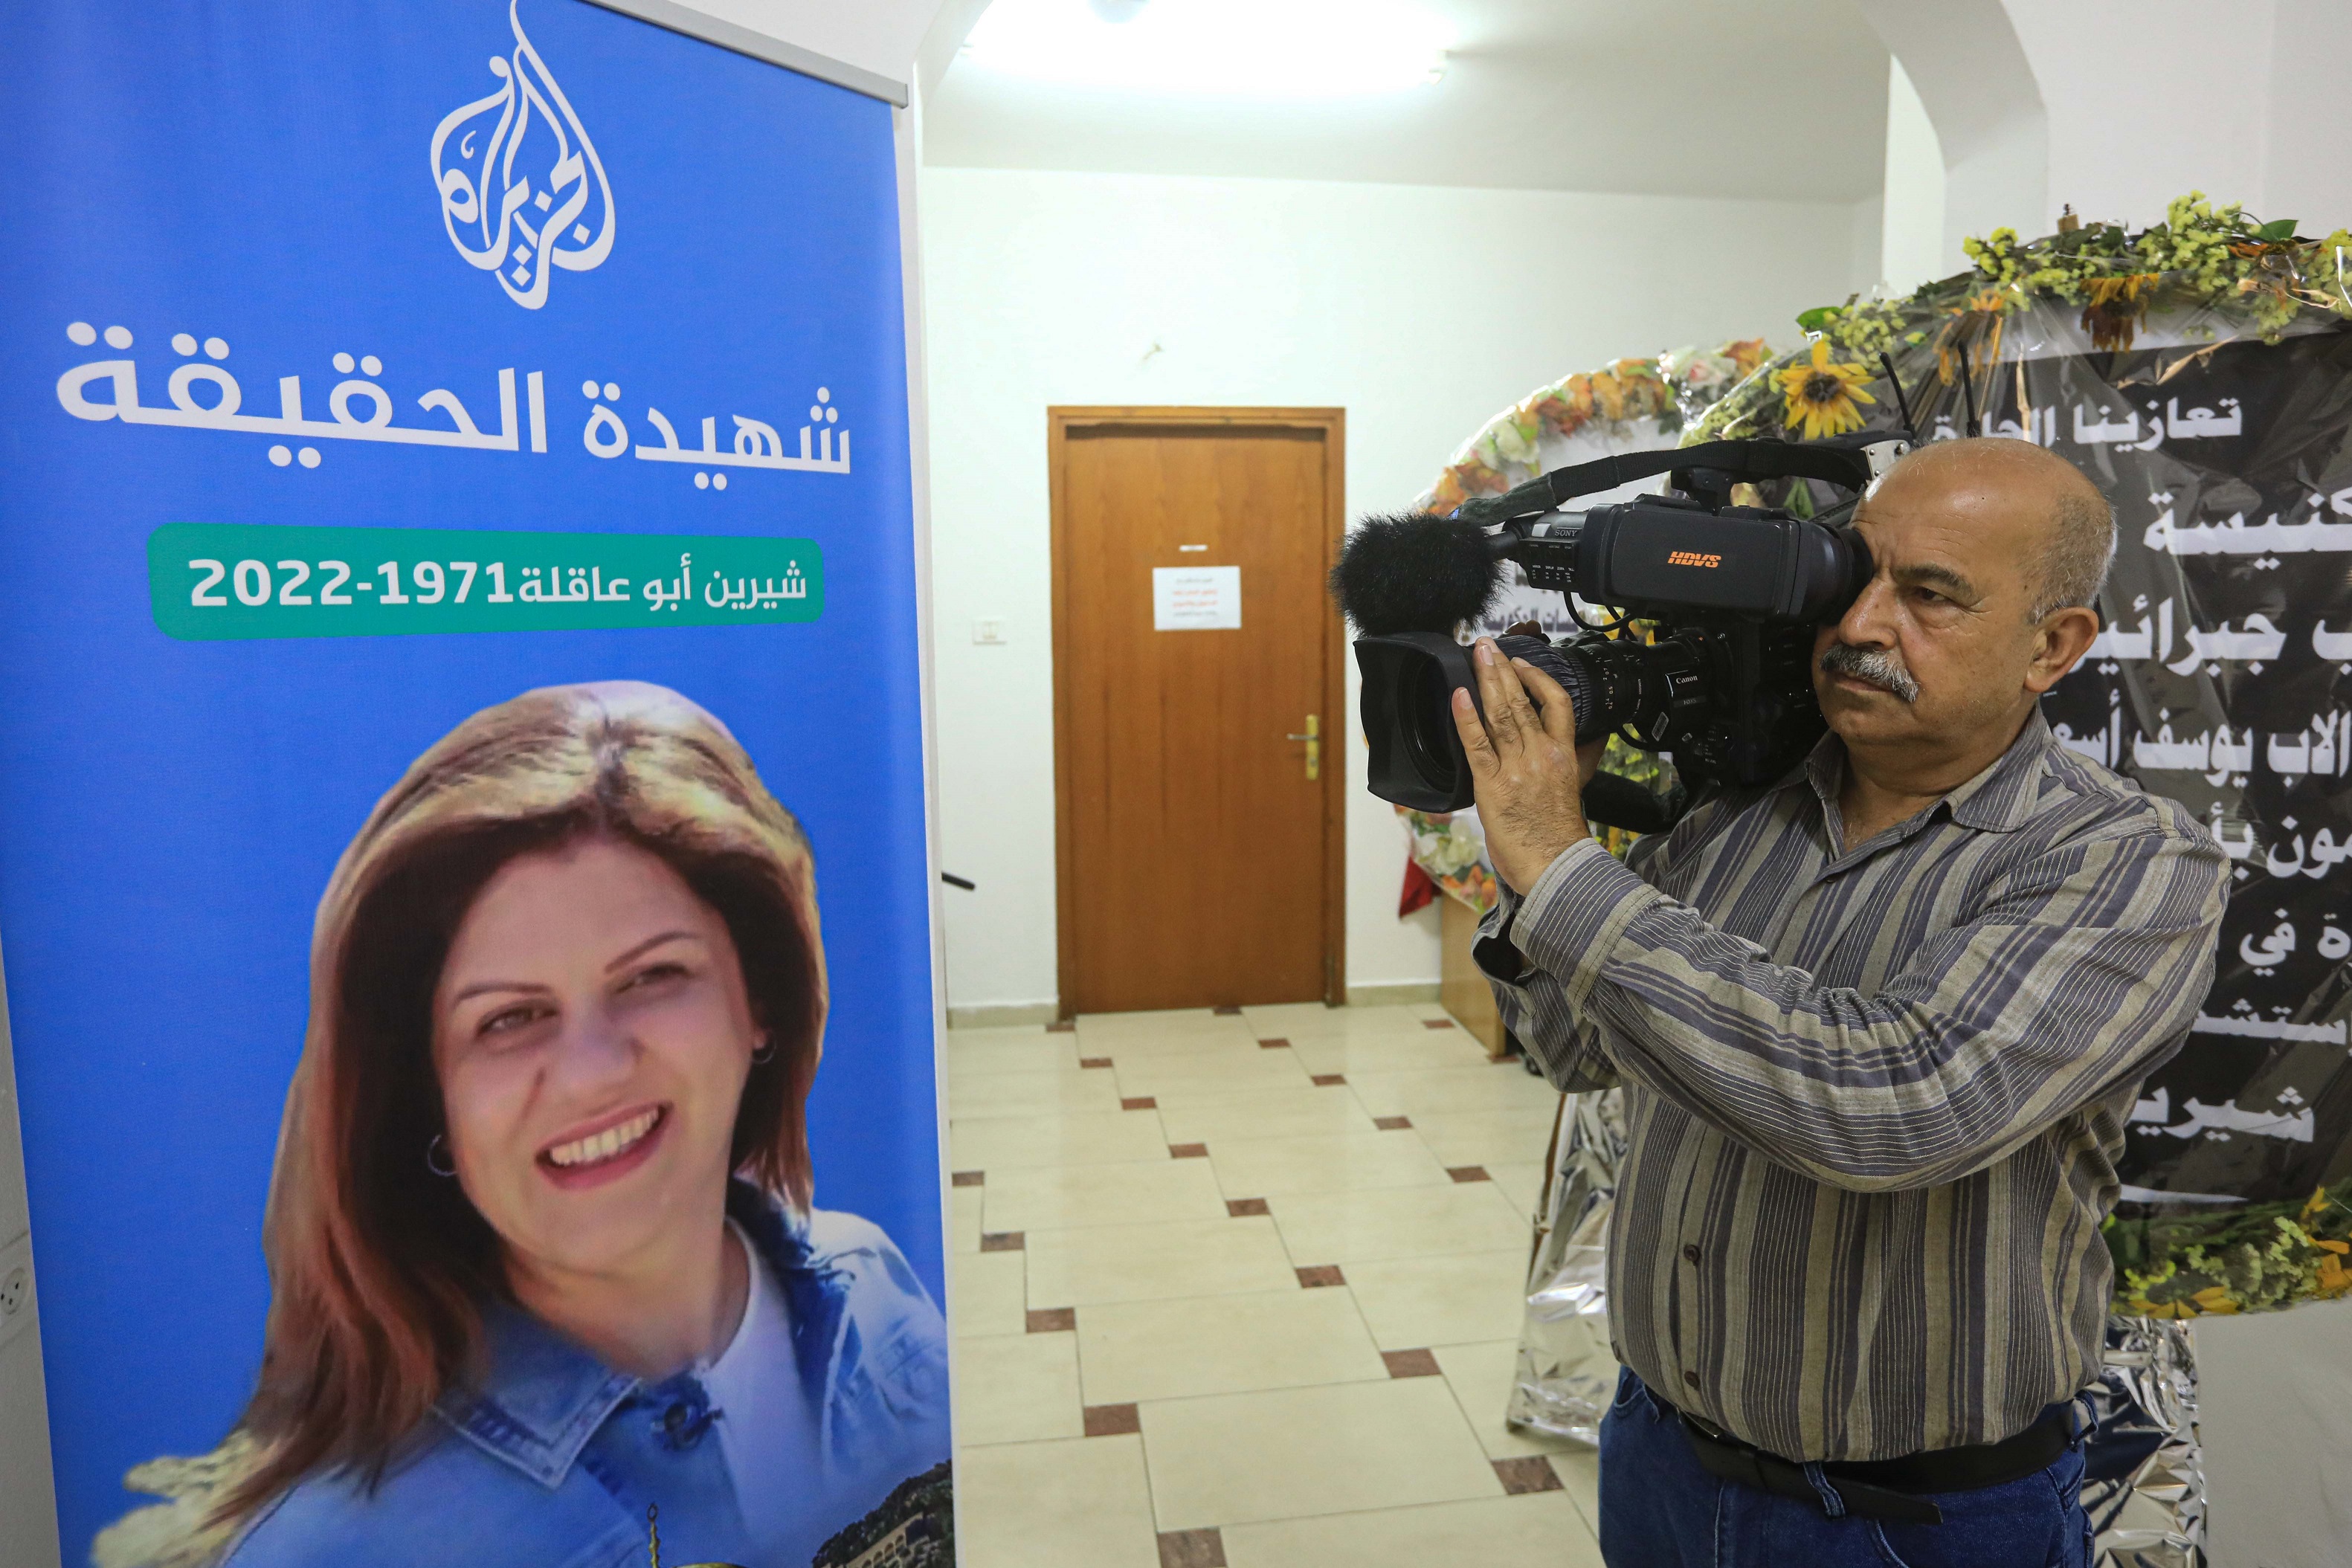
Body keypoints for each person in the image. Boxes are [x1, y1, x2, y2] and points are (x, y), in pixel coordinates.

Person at [1454, 439, 2227, 1567]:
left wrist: (1563, 871)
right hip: (1659, 1461)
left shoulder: (2126, 864)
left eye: (1928, 596)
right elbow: (1572, 1048)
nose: (1859, 625)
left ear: (2050, 647)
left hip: (1912, 1522)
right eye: (1848, 579)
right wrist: (1530, 878)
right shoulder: (1736, 813)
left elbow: (1887, 1108)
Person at [94, 682, 950, 1568]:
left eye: (652, 976)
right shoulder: (333, 1548)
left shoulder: (875, 1287)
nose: (591, 1072)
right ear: (428, 1097)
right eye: (507, 1019)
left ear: (760, 999)